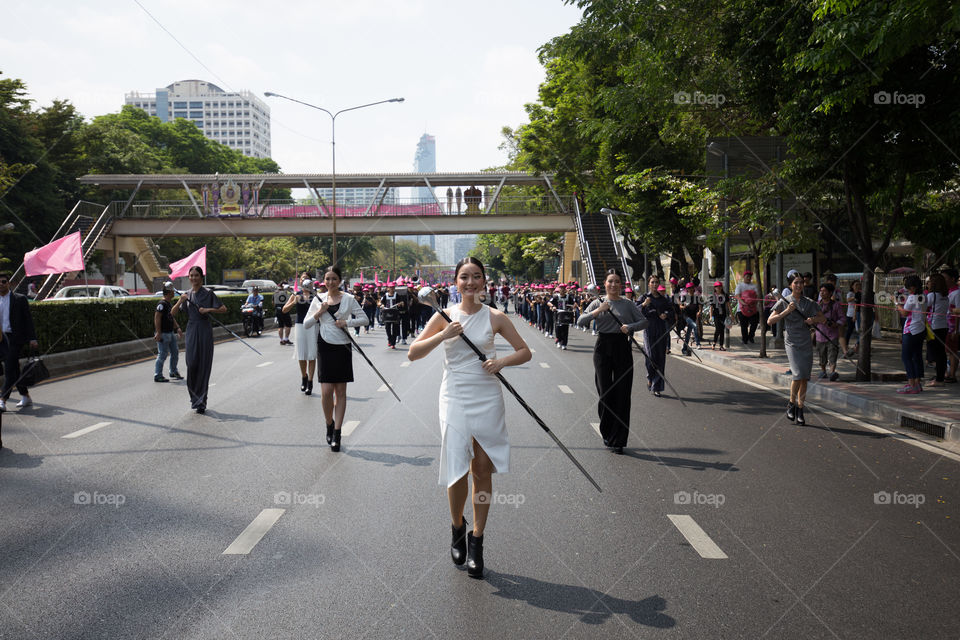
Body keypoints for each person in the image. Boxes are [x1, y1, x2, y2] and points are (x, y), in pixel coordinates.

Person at [408, 257, 531, 579]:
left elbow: (524, 351)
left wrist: (501, 362)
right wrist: (443, 334)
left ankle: (477, 540)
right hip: (455, 395)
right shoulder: (444, 315)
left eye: (476, 277)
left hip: (487, 395)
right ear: (456, 282)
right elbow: (414, 352)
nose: (471, 282)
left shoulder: (496, 316)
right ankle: (457, 526)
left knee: (481, 468)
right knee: (456, 466)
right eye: (465, 277)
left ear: (484, 281)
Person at [577, 269, 648, 453]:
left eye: (617, 281)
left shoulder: (628, 304)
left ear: (621, 284)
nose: (614, 285)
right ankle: (607, 433)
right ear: (605, 284)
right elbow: (580, 321)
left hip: (622, 347)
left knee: (623, 394)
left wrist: (630, 327)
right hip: (603, 348)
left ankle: (619, 440)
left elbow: (644, 321)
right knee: (605, 393)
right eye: (610, 281)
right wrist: (598, 311)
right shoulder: (597, 302)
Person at [303, 266, 367, 452]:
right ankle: (329, 423)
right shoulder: (318, 299)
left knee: (340, 392)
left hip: (343, 347)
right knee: (326, 392)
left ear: (340, 281)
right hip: (325, 346)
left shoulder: (348, 299)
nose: (330, 282)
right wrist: (320, 312)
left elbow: (364, 320)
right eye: (327, 279)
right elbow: (307, 324)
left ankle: (337, 433)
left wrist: (347, 322)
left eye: (334, 279)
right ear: (323, 281)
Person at [767, 273, 827, 425]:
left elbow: (823, 318)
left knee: (805, 377)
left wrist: (813, 320)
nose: (799, 285)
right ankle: (791, 403)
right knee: (797, 374)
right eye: (796, 282)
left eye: (801, 282)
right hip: (792, 342)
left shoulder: (810, 303)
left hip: (806, 341)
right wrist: (787, 311)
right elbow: (770, 321)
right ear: (790, 285)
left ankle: (800, 409)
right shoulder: (784, 301)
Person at [171, 266, 227, 414]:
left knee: (203, 365)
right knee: (192, 364)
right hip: (191, 329)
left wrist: (208, 310)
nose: (194, 278)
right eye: (191, 275)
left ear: (201, 277)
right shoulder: (186, 295)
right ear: (188, 277)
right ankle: (194, 397)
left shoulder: (208, 293)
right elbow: (173, 313)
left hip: (204, 330)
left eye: (197, 275)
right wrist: (180, 301)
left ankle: (201, 401)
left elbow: (223, 308)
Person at [0, 271, 39, 418]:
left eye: (4, 281)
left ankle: (2, 399)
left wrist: (32, 338)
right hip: (0, 339)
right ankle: (26, 396)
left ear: (9, 283)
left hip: (14, 339)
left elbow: (28, 320)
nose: (1, 284)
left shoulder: (19, 299)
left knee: (9, 369)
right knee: (14, 370)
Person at [639, 276, 674, 397]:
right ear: (649, 284)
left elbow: (672, 311)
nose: (654, 284)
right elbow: (635, 311)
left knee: (660, 358)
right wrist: (643, 304)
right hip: (649, 330)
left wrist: (666, 314)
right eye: (652, 282)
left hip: (661, 330)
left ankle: (657, 386)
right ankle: (650, 376)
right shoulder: (644, 297)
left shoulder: (664, 300)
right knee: (650, 356)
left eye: (656, 282)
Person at [283, 278, 318, 395]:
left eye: (310, 285)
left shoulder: (316, 296)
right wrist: (293, 302)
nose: (308, 287)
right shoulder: (296, 295)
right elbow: (284, 310)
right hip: (300, 325)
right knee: (301, 354)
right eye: (306, 285)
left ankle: (310, 382)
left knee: (312, 354)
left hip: (313, 325)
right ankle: (304, 377)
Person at [896, 275, 926, 394]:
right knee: (917, 356)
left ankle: (911, 384)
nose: (907, 290)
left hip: (911, 329)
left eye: (908, 288)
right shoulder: (924, 296)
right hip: (921, 329)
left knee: (906, 357)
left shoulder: (913, 297)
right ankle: (918, 383)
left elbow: (904, 313)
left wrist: (896, 304)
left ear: (913, 287)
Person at [153, 281, 184, 383]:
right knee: (162, 354)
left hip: (170, 332)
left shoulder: (168, 304)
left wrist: (177, 327)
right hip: (163, 333)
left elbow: (171, 317)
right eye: (172, 292)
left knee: (175, 352)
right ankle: (158, 375)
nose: (173, 293)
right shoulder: (162, 304)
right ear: (168, 293)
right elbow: (157, 318)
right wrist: (158, 332)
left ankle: (173, 371)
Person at [815, 282, 845, 381]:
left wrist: (835, 324)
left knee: (833, 353)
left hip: (832, 335)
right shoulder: (817, 305)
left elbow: (842, 319)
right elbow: (812, 317)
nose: (822, 293)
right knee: (821, 354)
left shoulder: (836, 305)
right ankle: (823, 371)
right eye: (821, 291)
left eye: (824, 291)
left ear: (830, 293)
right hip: (819, 334)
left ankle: (832, 372)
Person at [925, 273, 950, 387]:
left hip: (934, 327)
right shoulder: (945, 296)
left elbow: (923, 306)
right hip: (943, 326)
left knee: (936, 354)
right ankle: (940, 376)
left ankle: (939, 379)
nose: (927, 283)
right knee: (941, 353)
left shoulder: (932, 296)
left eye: (929, 281)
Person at [942, 266, 959, 383]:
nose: (943, 281)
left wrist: (956, 330)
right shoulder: (949, 292)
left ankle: (952, 375)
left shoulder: (957, 293)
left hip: (954, 327)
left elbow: (958, 312)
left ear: (952, 279)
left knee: (952, 351)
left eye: (945, 278)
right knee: (950, 351)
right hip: (948, 326)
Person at [735, 270, 760, 344]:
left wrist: (753, 304)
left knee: (754, 323)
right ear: (744, 277)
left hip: (753, 309)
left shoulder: (754, 286)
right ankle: (744, 339)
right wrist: (744, 304)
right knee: (744, 325)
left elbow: (757, 297)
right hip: (741, 309)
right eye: (747, 276)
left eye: (750, 277)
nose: (748, 278)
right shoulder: (740, 286)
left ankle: (751, 336)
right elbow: (738, 296)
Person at [708, 281, 732, 351]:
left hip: (723, 315)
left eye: (719, 286)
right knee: (718, 329)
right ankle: (714, 342)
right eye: (716, 287)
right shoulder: (713, 296)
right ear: (714, 288)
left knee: (722, 330)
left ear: (721, 287)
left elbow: (728, 305)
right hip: (716, 315)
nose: (718, 288)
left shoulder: (725, 295)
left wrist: (732, 315)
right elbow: (711, 307)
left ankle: (721, 345)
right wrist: (710, 316)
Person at [679, 283, 701, 355]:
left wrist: (699, 312)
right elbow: (680, 306)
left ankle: (685, 347)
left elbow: (700, 306)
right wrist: (683, 307)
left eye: (692, 288)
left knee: (689, 332)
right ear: (687, 289)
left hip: (694, 316)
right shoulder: (685, 297)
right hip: (686, 316)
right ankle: (698, 343)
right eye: (689, 288)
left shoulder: (697, 297)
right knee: (695, 326)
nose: (690, 289)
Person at [843, 280, 862, 357]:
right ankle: (845, 346)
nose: (857, 286)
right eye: (856, 285)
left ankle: (857, 346)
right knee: (849, 331)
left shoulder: (860, 294)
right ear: (852, 286)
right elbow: (848, 300)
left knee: (859, 331)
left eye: (859, 285)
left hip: (858, 314)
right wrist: (855, 297)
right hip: (850, 314)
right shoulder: (850, 293)